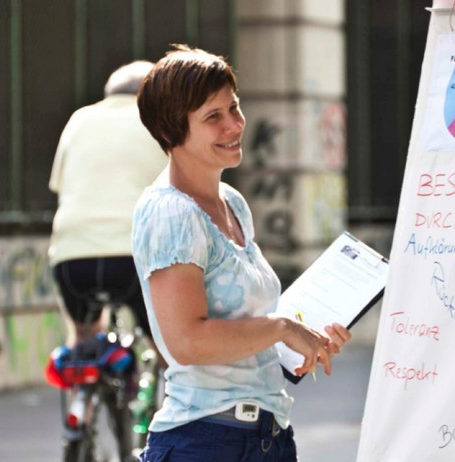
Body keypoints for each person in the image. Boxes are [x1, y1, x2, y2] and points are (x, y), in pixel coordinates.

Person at [132, 44, 351, 462]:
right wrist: (282, 327)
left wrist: (305, 341)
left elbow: (247, 328)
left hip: (268, 438)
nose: (234, 125)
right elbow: (188, 342)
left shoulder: (233, 203)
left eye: (234, 107)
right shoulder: (171, 212)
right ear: (171, 132)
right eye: (213, 117)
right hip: (204, 442)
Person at [48, 60, 168, 346]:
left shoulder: (77, 120)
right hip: (135, 258)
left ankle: (83, 385)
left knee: (84, 336)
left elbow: (59, 185)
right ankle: (173, 387)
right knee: (166, 344)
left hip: (71, 259)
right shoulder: (159, 123)